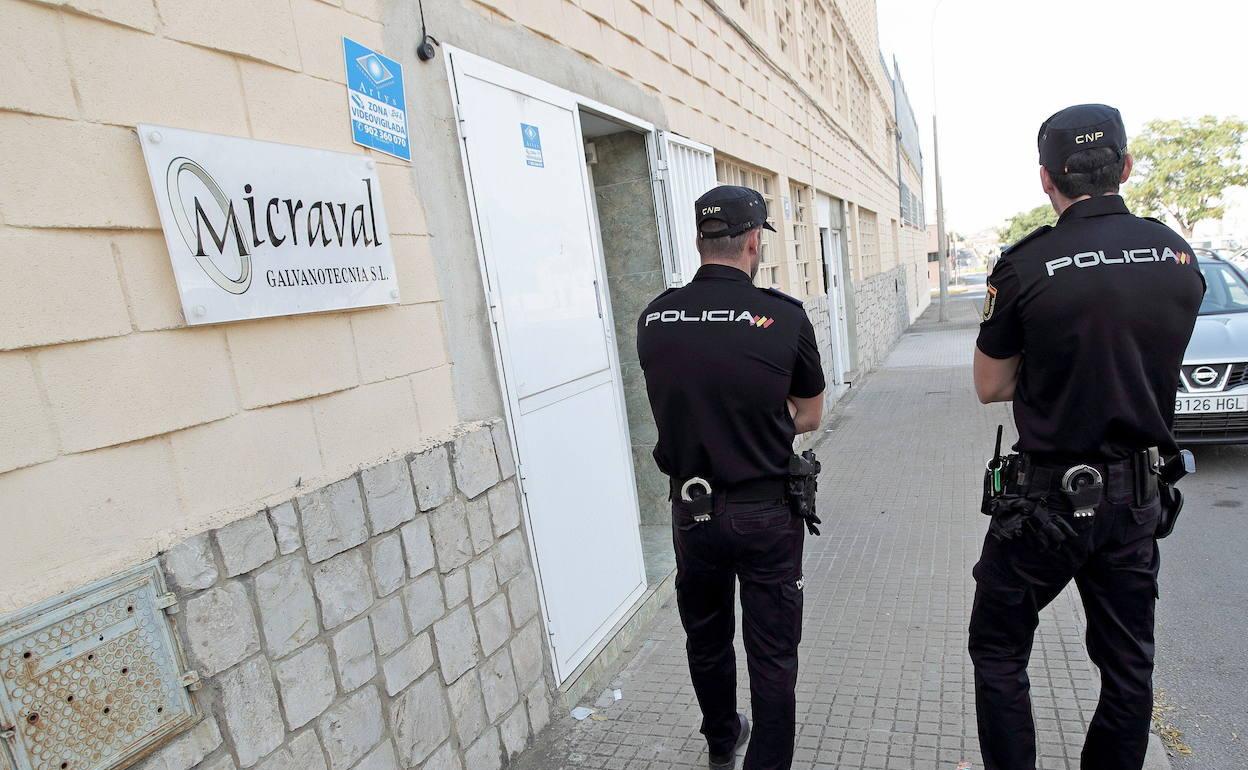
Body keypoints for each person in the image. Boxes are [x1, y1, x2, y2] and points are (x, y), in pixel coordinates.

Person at [969, 104, 1205, 770]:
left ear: (1047, 179)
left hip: (1043, 505)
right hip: (1134, 501)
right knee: (1129, 670)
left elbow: (990, 385)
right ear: (1125, 168)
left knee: (998, 648)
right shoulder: (1176, 254)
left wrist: (1051, 370)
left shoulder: (1025, 265)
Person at [636, 185, 826, 770]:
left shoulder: (655, 317)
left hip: (692, 511)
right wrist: (759, 428)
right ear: (752, 240)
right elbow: (811, 415)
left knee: (706, 636)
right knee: (772, 654)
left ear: (700, 241)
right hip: (765, 511)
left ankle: (722, 740)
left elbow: (677, 405)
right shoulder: (783, 318)